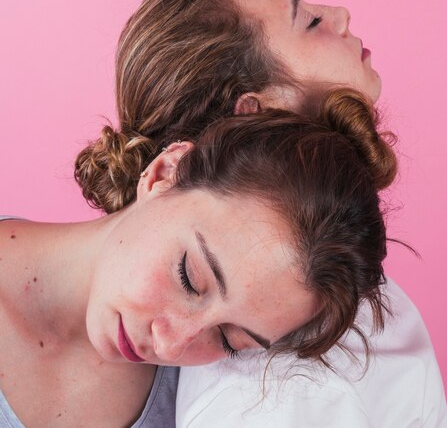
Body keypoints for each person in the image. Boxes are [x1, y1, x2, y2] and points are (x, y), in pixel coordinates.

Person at [73, 0, 445, 427]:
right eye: (309, 21)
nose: (342, 14)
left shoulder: (305, 342)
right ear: (252, 115)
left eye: (232, 341)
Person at [1, 90, 393, 428]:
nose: (171, 347)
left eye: (227, 339)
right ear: (163, 172)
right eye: (188, 279)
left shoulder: (208, 409)